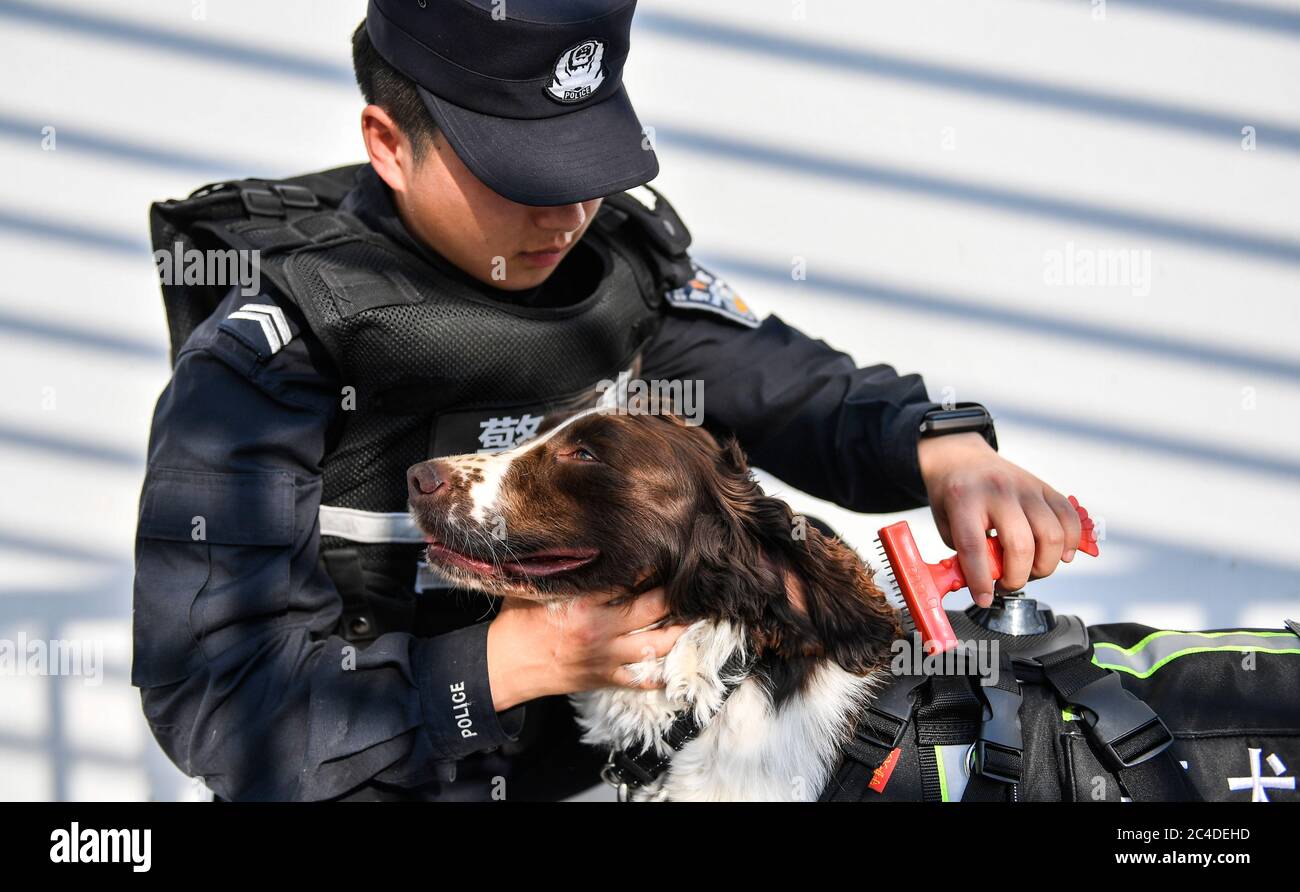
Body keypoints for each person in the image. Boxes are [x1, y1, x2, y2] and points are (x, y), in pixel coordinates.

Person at [133, 0, 1083, 802]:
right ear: (389, 143)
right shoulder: (269, 359)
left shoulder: (616, 280)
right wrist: (519, 662)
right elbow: (219, 709)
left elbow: (795, 391)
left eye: (586, 168)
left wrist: (945, 450)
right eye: (521, 174)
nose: (566, 213)